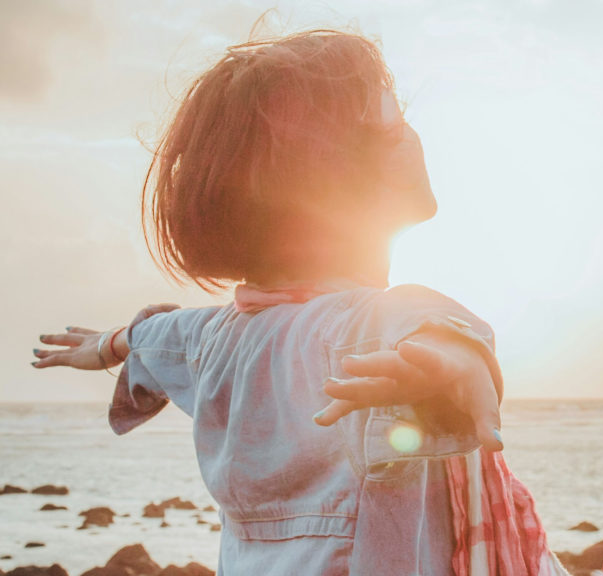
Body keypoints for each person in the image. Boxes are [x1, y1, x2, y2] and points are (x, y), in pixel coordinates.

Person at [32, 28, 568, 576]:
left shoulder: (212, 338)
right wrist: (451, 361)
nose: (411, 134)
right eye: (391, 123)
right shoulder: (364, 325)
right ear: (329, 177)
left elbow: (152, 338)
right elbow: (425, 326)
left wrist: (104, 346)